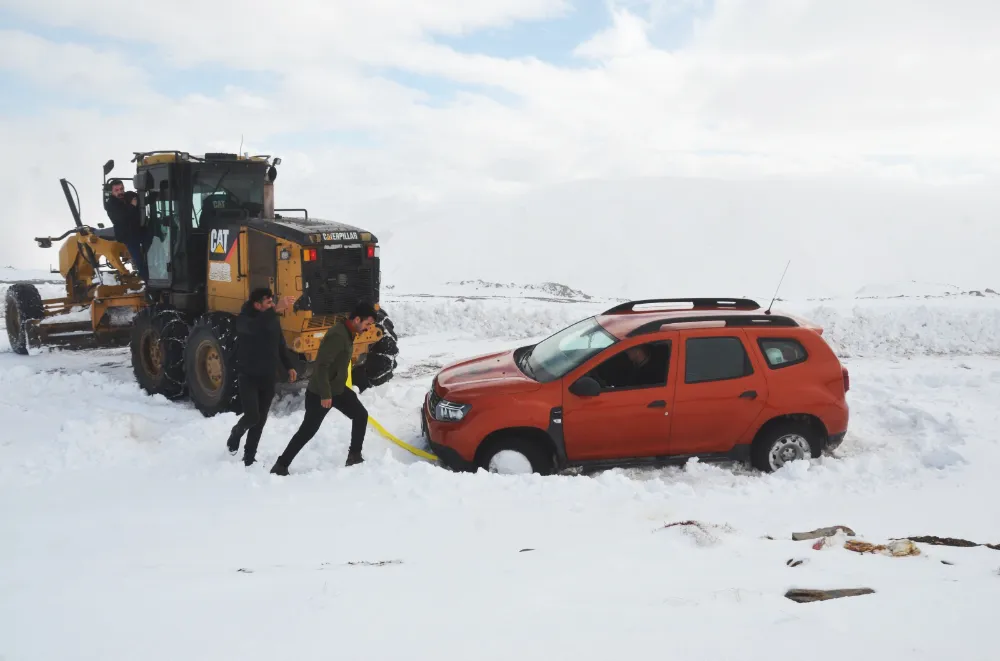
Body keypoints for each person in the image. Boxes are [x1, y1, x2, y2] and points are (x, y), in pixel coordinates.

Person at [270, 300, 377, 475]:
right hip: (321, 392)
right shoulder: (338, 335)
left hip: (337, 389)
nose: (368, 328)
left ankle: (354, 456)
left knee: (360, 415)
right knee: (308, 430)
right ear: (357, 319)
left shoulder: (347, 332)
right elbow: (321, 366)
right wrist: (326, 394)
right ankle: (281, 465)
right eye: (367, 324)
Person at [226, 287, 297, 466]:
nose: (273, 304)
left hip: (268, 376)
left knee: (261, 418)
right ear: (257, 305)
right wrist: (275, 310)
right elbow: (255, 327)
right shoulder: (244, 320)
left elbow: (280, 344)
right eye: (269, 302)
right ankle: (236, 432)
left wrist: (289, 366)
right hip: (248, 376)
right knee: (252, 416)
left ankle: (249, 457)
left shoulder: (272, 319)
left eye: (273, 301)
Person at [103, 179, 148, 281]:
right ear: (112, 192)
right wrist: (132, 205)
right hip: (127, 236)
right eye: (117, 190)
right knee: (138, 259)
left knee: (153, 242)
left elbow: (142, 201)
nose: (120, 192)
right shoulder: (111, 204)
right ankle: (148, 280)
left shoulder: (129, 196)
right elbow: (122, 218)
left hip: (139, 230)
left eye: (121, 189)